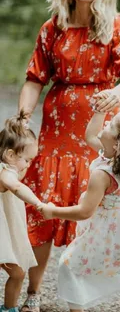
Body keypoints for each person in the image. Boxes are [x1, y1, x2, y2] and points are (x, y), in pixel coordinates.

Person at [18, 0, 120, 310]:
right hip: (56, 132)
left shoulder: (119, 26)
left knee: (119, 210)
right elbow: (35, 78)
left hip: (101, 130)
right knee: (44, 205)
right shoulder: (52, 29)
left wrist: (117, 93)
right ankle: (34, 293)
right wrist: (23, 115)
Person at [39, 104, 120, 312]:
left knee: (69, 265)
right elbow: (91, 135)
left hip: (110, 228)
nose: (107, 122)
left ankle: (78, 309)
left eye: (111, 124)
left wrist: (52, 211)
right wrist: (99, 111)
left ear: (118, 144)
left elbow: (85, 211)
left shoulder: (103, 175)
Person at [0, 111, 45, 312]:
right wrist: (38, 203)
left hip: (4, 234)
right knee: (17, 273)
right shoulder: (6, 172)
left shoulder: (8, 168)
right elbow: (17, 187)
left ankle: (10, 308)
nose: (28, 165)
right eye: (27, 160)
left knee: (18, 273)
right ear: (10, 155)